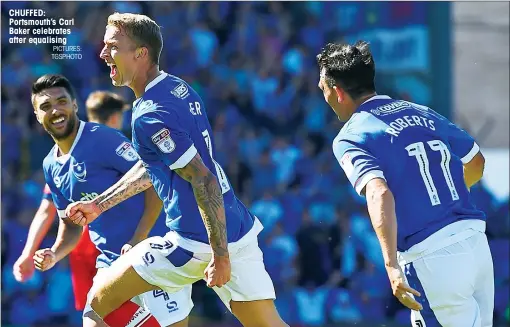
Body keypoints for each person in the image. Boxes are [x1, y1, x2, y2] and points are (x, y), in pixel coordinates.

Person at [65, 12, 288, 327]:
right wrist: (99, 205)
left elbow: (203, 179)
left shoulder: (150, 114)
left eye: (112, 46)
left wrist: (219, 255)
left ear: (140, 53)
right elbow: (156, 165)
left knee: (96, 305)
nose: (103, 54)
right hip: (238, 229)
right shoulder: (177, 88)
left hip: (194, 243)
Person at [316, 41, 493, 326]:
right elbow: (476, 163)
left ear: (337, 91)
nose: (322, 94)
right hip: (475, 244)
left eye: (322, 87)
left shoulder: (351, 136)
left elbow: (378, 192)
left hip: (432, 256)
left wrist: (391, 265)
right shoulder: (421, 111)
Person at [31, 74, 193, 327]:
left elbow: (152, 176)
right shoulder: (50, 165)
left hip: (152, 252)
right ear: (37, 116)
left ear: (74, 105)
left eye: (61, 101)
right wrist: (54, 252)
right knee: (93, 318)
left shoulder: (102, 138)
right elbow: (71, 226)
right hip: (110, 260)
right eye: (45, 106)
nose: (55, 110)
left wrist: (139, 238)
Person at [13, 90, 131, 311]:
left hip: (86, 244)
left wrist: (28, 253)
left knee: (99, 310)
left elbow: (46, 209)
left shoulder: (69, 155)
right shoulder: (76, 155)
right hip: (111, 242)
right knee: (108, 310)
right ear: (115, 118)